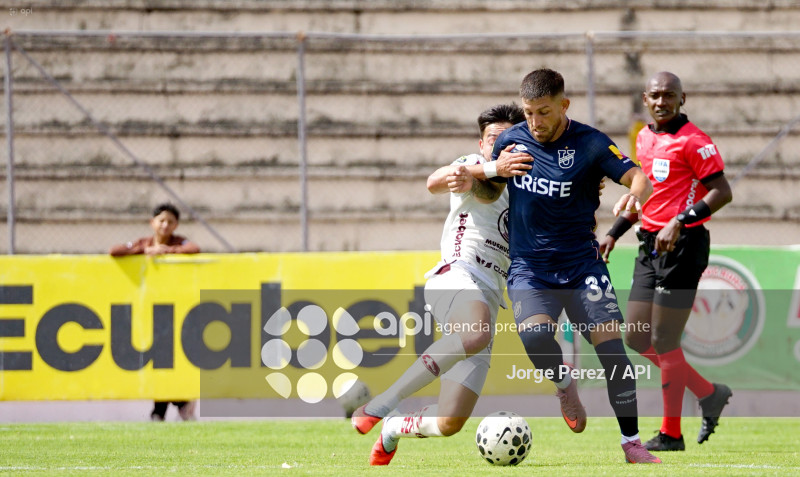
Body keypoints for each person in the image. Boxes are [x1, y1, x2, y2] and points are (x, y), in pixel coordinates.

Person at [465, 68, 661, 463]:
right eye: (528, 112)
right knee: (536, 338)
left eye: (543, 112)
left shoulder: (589, 144)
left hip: (582, 267)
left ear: (563, 105)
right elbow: (486, 189)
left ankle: (632, 443)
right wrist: (489, 171)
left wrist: (635, 197)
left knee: (613, 354)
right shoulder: (511, 139)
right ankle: (563, 383)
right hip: (529, 268)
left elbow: (639, 176)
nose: (535, 122)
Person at [351, 104, 532, 465]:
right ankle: (384, 400)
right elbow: (439, 182)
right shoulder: (472, 166)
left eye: (511, 139)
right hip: (457, 275)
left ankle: (394, 427)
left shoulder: (529, 187)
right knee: (477, 332)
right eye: (494, 139)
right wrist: (472, 171)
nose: (503, 145)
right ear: (481, 144)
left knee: (450, 421)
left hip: (488, 296)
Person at [598, 71, 733, 452]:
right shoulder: (645, 137)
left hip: (684, 245)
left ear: (682, 98)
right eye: (655, 95)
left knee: (663, 339)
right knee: (637, 337)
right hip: (649, 245)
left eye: (669, 95)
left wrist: (680, 221)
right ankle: (709, 393)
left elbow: (723, 192)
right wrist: (614, 232)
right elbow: (650, 198)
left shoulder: (696, 141)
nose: (662, 102)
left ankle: (671, 434)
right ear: (645, 99)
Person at [109, 202, 200, 421]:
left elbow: (193, 249)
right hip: (151, 310)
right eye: (161, 221)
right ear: (152, 223)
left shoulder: (179, 243)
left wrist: (168, 252)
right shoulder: (143, 243)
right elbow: (115, 251)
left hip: (175, 310)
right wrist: (145, 251)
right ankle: (177, 404)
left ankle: (163, 410)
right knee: (158, 360)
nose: (165, 225)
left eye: (170, 222)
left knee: (169, 360)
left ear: (176, 224)